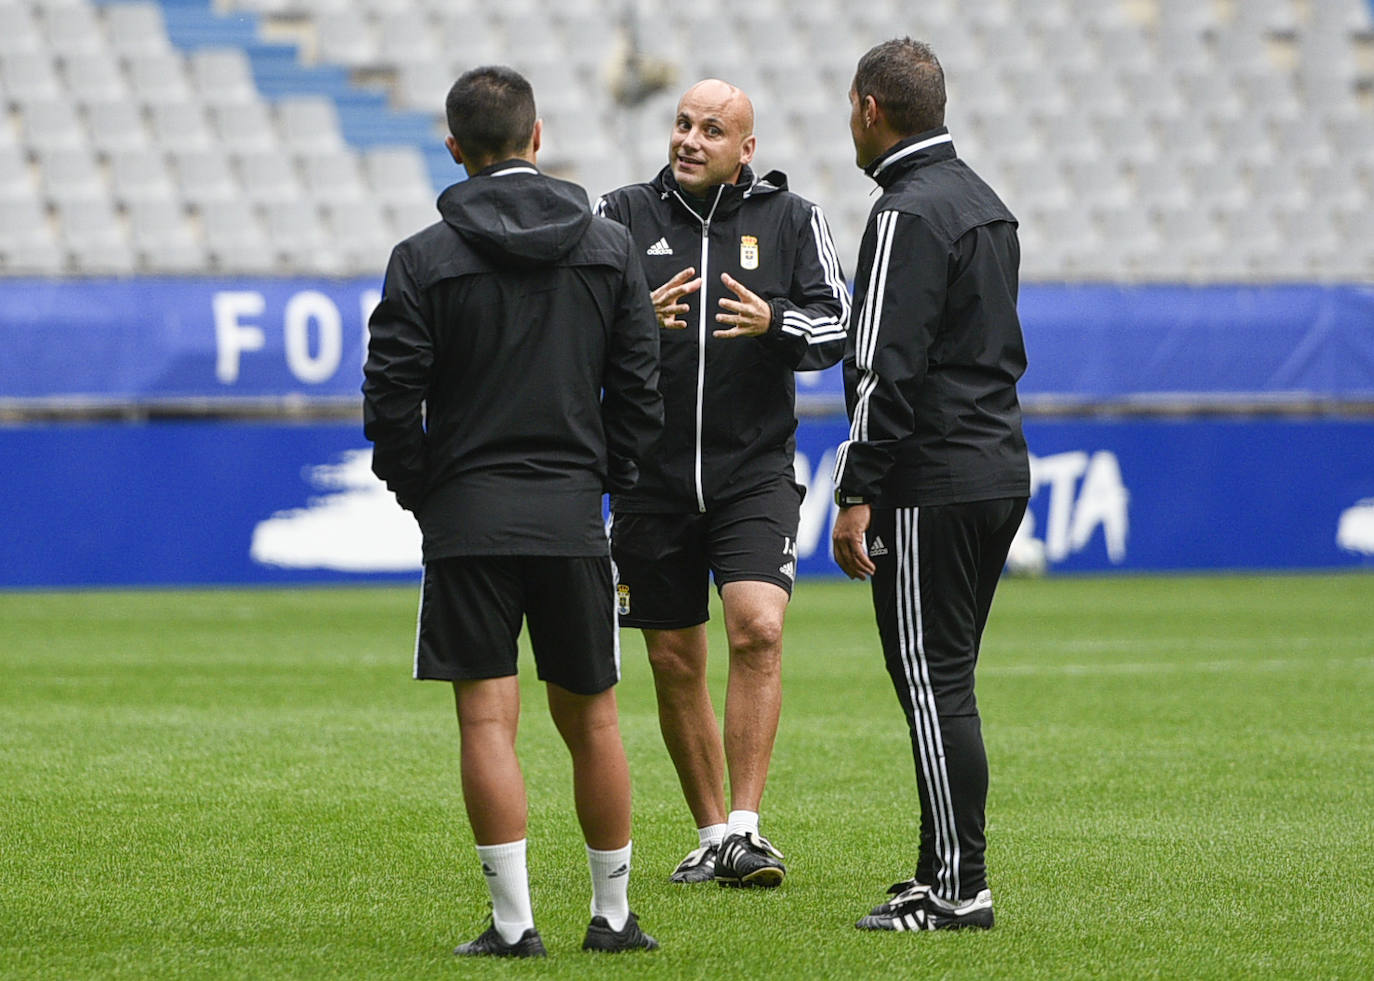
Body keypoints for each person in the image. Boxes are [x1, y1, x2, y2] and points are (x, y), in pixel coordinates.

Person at [362, 66, 664, 958]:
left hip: (468, 524)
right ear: (539, 137)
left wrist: (431, 491)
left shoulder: (421, 257)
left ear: (454, 150)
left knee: (486, 721)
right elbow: (640, 395)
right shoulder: (609, 250)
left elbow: (388, 404)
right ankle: (611, 918)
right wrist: (596, 480)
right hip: (571, 519)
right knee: (596, 719)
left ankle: (513, 925)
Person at [594, 79, 849, 888]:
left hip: (753, 471)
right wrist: (635, 312)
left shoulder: (791, 220)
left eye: (712, 129)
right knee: (673, 658)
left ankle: (747, 824)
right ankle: (713, 837)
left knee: (757, 628)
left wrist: (776, 321)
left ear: (746, 149)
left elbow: (839, 322)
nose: (689, 139)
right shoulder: (620, 215)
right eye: (681, 124)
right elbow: (571, 321)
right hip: (649, 476)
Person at [830, 38, 1030, 932]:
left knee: (932, 679)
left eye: (850, 108)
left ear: (872, 108)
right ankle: (936, 869)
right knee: (945, 676)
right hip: (996, 464)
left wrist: (855, 488)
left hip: (930, 478)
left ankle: (959, 888)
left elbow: (882, 366)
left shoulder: (906, 212)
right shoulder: (986, 204)